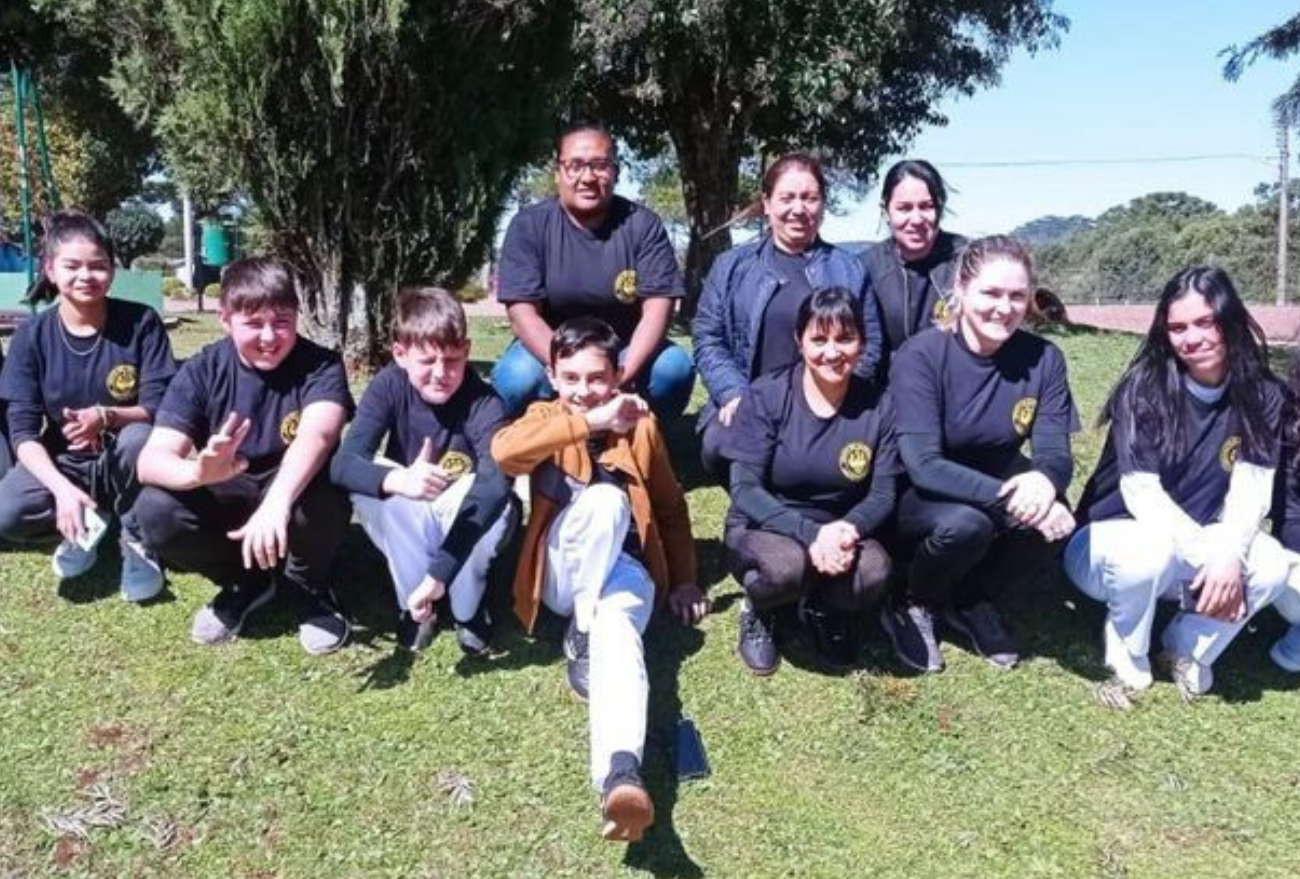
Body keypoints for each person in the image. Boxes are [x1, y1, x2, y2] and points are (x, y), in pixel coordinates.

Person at [491, 316, 709, 843]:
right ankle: (580, 626)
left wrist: (683, 580)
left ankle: (619, 775)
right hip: (563, 575)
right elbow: (504, 453)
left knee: (619, 637)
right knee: (606, 502)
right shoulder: (544, 416)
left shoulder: (643, 425)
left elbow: (670, 508)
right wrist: (588, 422)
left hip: (626, 573)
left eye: (596, 379)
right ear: (553, 375)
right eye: (571, 378)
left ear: (618, 376)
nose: (584, 390)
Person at [1065, 267, 1291, 702]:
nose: (1192, 338)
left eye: (1205, 322)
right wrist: (1214, 555)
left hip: (1192, 553)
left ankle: (1185, 648)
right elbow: (1141, 495)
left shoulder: (1263, 394)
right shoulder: (1143, 389)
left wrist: (1228, 552)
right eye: (1178, 327)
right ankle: (1127, 652)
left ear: (1232, 320)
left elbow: (1252, 489)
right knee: (1150, 551)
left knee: (1273, 564)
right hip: (1107, 548)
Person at [134, 257, 355, 655]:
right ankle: (245, 581)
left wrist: (275, 504)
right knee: (154, 509)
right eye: (253, 324)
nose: (270, 337)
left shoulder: (321, 365)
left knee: (325, 490)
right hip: (227, 488)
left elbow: (319, 435)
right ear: (225, 319)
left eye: (282, 321)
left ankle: (308, 587)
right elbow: (151, 460)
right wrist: (198, 472)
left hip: (295, 491)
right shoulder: (202, 369)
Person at [884, 235, 1078, 674]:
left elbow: (1055, 452)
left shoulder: (1044, 359)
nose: (1003, 307)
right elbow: (923, 464)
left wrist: (1045, 482)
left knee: (1057, 518)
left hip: (995, 482)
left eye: (1016, 296)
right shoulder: (921, 356)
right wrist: (1015, 501)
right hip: (919, 494)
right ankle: (913, 602)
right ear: (961, 289)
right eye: (990, 293)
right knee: (966, 526)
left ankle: (970, 597)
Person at [0, 210, 175, 599]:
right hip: (67, 461)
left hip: (128, 459)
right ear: (49, 268)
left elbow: (161, 407)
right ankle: (86, 519)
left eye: (98, 266)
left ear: (112, 270)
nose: (86, 276)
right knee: (8, 510)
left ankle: (135, 537)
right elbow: (23, 432)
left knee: (138, 437)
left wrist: (107, 416)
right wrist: (61, 489)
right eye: (72, 266)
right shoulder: (31, 336)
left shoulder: (141, 322)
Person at [330, 287, 515, 655]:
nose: (440, 374)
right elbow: (343, 463)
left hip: (461, 522)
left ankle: (467, 606)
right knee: (375, 480)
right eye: (427, 361)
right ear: (400, 354)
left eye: (452, 360)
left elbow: (496, 485)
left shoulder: (486, 401)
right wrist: (399, 480)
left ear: (466, 349)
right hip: (412, 515)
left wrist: (440, 573)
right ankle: (414, 607)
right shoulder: (388, 385)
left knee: (489, 496)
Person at [722, 287, 897, 675]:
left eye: (845, 338)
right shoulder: (766, 396)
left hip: (840, 526)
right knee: (787, 569)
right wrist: (809, 533)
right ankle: (762, 608)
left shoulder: (881, 406)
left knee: (874, 573)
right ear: (799, 341)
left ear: (863, 343)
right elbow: (744, 489)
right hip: (765, 523)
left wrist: (848, 529)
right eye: (819, 339)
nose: (832, 352)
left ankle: (825, 610)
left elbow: (884, 492)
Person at [693, 152, 882, 478]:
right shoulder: (731, 266)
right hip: (751, 399)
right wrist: (734, 393)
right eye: (787, 198)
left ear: (822, 205)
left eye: (809, 198)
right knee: (719, 444)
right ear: (767, 204)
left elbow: (871, 343)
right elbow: (708, 337)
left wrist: (837, 398)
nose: (798, 209)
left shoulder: (849, 268)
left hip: (827, 403)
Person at [491, 120, 694, 420]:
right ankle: (536, 447)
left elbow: (658, 310)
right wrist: (569, 375)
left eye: (600, 165)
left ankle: (643, 444)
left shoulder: (643, 225)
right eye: (575, 165)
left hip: (623, 351)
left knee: (672, 368)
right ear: (558, 172)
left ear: (615, 171)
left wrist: (618, 376)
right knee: (517, 377)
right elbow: (522, 314)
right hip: (551, 352)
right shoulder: (529, 226)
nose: (587, 177)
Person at [860, 159, 967, 370]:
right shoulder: (865, 269)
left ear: (940, 208)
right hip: (887, 393)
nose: (916, 219)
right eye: (904, 208)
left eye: (926, 207)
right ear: (886, 211)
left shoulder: (968, 260)